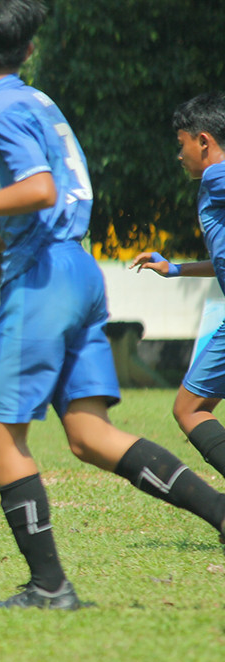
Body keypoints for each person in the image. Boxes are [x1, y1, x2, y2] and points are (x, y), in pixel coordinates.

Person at [0, 0, 225, 609]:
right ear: (26, 51)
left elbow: (41, 188)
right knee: (88, 434)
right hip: (75, 267)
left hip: (45, 279)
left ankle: (49, 587)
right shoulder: (38, 101)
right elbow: (64, 190)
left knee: (1, 431)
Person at [130, 92, 225, 484]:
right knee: (192, 406)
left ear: (203, 141)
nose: (178, 154)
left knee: (189, 408)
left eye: (181, 143)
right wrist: (175, 269)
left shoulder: (216, 177)